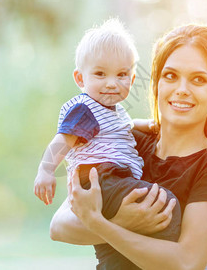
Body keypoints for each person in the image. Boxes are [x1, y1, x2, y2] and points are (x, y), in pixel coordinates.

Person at [50, 24, 207, 270]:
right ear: (156, 84)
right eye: (170, 76)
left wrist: (103, 224)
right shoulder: (126, 143)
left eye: (198, 79)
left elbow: (187, 262)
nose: (182, 90)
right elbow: (59, 226)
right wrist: (123, 221)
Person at [34, 19, 182, 268]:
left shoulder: (111, 111)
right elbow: (63, 140)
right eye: (100, 74)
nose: (112, 83)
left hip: (111, 180)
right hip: (100, 179)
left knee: (148, 213)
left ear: (132, 79)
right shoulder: (84, 109)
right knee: (164, 204)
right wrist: (46, 170)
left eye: (121, 74)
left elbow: (123, 126)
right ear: (80, 78)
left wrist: (150, 124)